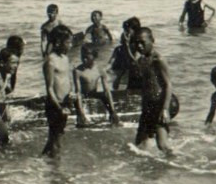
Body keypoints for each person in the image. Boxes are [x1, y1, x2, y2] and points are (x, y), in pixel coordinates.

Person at [132, 27, 176, 155]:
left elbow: (168, 85)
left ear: (152, 41)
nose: (139, 46)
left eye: (142, 42)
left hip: (159, 104)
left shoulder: (158, 60)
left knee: (162, 144)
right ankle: (148, 168)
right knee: (139, 143)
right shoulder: (142, 60)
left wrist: (165, 109)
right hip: (148, 105)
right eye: (136, 43)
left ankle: (177, 165)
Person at [40, 26, 75, 157]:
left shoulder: (65, 58)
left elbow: (66, 80)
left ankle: (44, 162)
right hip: (55, 105)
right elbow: (49, 88)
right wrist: (59, 107)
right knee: (56, 138)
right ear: (58, 42)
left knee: (56, 136)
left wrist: (71, 94)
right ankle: (55, 169)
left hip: (65, 103)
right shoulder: (50, 61)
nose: (70, 45)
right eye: (68, 42)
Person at [73, 43, 122, 128]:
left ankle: (113, 115)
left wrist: (113, 110)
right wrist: (81, 112)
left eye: (87, 57)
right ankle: (81, 118)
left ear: (94, 56)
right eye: (82, 57)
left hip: (93, 93)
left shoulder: (100, 69)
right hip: (83, 95)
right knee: (77, 96)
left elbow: (107, 90)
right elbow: (78, 91)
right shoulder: (78, 71)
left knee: (105, 95)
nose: (84, 60)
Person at [108, 17, 144, 102]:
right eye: (124, 31)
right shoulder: (119, 49)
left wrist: (127, 46)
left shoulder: (139, 46)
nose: (124, 33)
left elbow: (135, 62)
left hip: (136, 78)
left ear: (135, 31)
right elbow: (110, 63)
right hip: (123, 77)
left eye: (127, 31)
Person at [0, 35, 26, 121]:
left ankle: (6, 111)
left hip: (4, 78)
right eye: (21, 48)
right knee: (2, 94)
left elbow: (14, 76)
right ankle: (4, 117)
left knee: (7, 94)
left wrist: (12, 91)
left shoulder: (16, 57)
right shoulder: (7, 55)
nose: (23, 50)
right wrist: (6, 88)